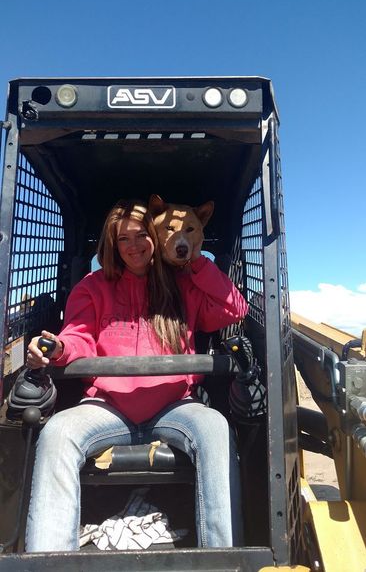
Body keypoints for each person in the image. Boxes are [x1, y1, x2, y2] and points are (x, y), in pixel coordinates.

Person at [25, 199, 248, 552]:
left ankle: (224, 556)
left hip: (174, 406)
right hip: (108, 406)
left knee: (216, 428)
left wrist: (195, 262)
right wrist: (56, 348)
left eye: (141, 235)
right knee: (57, 432)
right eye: (123, 239)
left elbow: (234, 308)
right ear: (111, 245)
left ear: (155, 238)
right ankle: (49, 557)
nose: (133, 246)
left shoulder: (184, 286)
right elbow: (78, 337)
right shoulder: (92, 286)